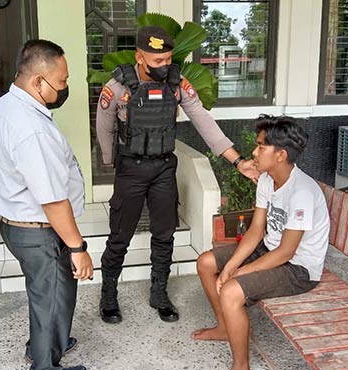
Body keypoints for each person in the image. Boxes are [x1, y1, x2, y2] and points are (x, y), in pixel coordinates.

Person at [95, 25, 259, 324]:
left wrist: (238, 161)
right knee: (120, 234)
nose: (165, 66)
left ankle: (159, 292)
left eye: (168, 60)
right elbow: (104, 124)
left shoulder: (178, 84)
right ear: (139, 57)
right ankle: (108, 294)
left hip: (163, 169)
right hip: (130, 169)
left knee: (164, 233)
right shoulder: (118, 86)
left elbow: (204, 121)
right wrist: (110, 161)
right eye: (158, 61)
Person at [193, 115, 330, 370]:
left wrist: (240, 274)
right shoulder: (268, 179)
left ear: (280, 155)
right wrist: (231, 265)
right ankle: (223, 326)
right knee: (207, 262)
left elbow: (287, 252)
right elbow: (256, 230)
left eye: (260, 147)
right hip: (269, 249)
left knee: (231, 291)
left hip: (298, 269)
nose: (254, 153)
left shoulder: (302, 191)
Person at [0, 39, 94, 370]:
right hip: (40, 230)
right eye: (61, 83)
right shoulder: (30, 128)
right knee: (51, 298)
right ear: (37, 81)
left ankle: (44, 345)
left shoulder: (6, 105)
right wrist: (77, 247)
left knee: (48, 294)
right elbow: (52, 200)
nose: (65, 89)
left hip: (20, 227)